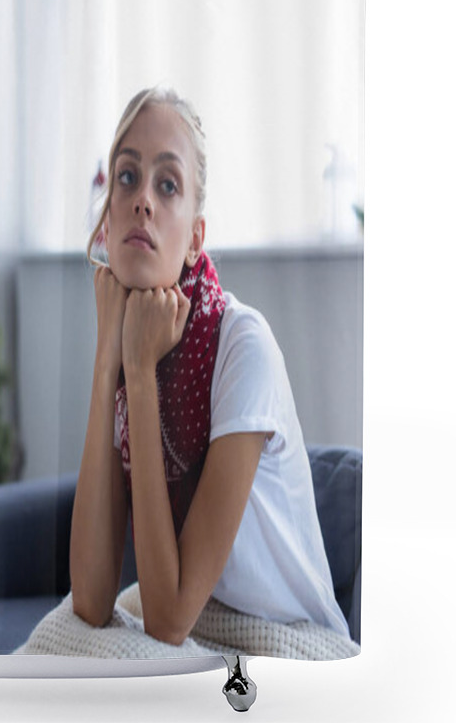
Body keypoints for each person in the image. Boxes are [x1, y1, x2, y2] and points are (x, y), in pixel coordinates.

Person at [69, 87, 351, 646]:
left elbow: (168, 618)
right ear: (107, 220)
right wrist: (110, 361)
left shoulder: (244, 346)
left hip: (289, 637)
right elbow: (92, 598)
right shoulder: (128, 338)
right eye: (127, 177)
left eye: (166, 185)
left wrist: (140, 373)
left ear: (196, 239)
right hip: (205, 621)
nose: (142, 199)